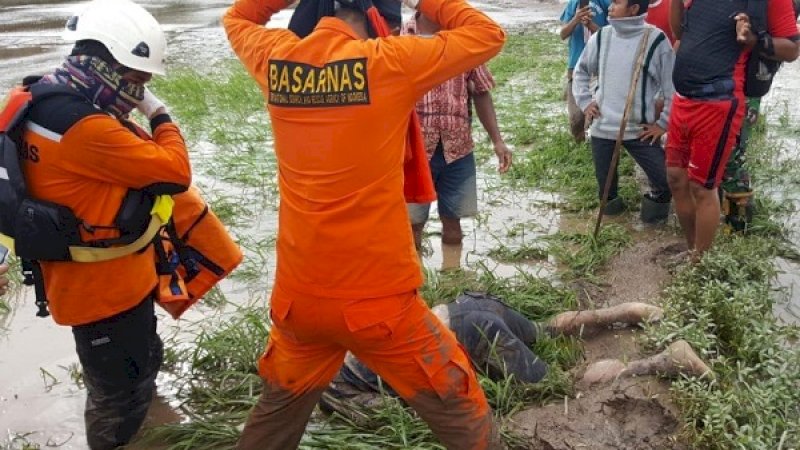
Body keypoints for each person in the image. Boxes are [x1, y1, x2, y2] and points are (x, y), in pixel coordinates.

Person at [223, 0, 506, 447]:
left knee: (276, 416)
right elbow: (488, 34)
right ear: (382, 23)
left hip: (300, 301)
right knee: (458, 405)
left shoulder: (278, 59)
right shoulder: (388, 62)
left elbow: (237, 17)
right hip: (378, 305)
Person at [17, 0, 191, 448]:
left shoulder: (39, 96)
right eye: (137, 79)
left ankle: (148, 423)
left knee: (137, 369)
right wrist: (160, 114)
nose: (139, 90)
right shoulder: (86, 127)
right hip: (103, 292)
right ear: (105, 65)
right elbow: (174, 172)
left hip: (94, 279)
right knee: (117, 397)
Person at [319, 292, 710, 421]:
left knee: (563, 387)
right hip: (463, 307)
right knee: (543, 330)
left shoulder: (338, 391)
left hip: (466, 334)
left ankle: (661, 362)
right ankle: (625, 312)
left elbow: (414, 409)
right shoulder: (334, 345)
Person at [667, 0, 799, 260]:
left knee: (702, 187)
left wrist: (755, 40)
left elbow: (792, 49)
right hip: (684, 97)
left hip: (720, 101)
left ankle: (700, 263)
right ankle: (692, 249)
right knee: (675, 177)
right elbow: (682, 33)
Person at [404, 12, 512, 252]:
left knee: (453, 224)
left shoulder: (462, 41)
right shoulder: (400, 39)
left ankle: (453, 275)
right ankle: (419, 284)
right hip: (413, 151)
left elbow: (481, 91)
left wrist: (498, 141)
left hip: (458, 147)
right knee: (412, 225)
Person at [573, 0, 675, 223]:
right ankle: (615, 222)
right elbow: (580, 72)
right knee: (606, 191)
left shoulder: (655, 40)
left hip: (639, 130)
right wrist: (585, 102)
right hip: (603, 127)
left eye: (617, 2)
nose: (610, 6)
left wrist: (662, 124)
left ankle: (652, 222)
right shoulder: (602, 36)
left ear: (634, 9)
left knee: (665, 181)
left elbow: (671, 88)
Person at [560, 0, 611, 142]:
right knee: (576, 118)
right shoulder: (573, 4)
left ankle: (595, 141)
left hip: (600, 66)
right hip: (575, 65)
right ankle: (580, 142)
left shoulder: (606, 3)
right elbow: (563, 34)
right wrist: (575, 20)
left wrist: (590, 25)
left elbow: (611, 36)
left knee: (598, 110)